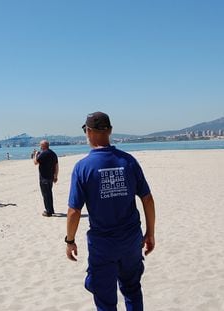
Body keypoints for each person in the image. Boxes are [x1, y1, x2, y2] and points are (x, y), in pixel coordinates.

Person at [65, 112, 155, 311]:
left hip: (103, 244)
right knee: (132, 289)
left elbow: (74, 211)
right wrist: (150, 233)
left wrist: (70, 240)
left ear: (88, 132)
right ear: (110, 131)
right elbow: (147, 199)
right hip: (131, 239)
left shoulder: (82, 167)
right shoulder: (128, 161)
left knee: (105, 299)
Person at [33, 140, 59, 217]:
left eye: (40, 145)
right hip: (50, 177)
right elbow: (56, 166)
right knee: (49, 194)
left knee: (45, 194)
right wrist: (56, 176)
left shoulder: (44, 153)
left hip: (44, 178)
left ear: (43, 146)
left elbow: (35, 162)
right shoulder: (53, 153)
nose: (40, 147)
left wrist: (35, 154)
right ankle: (51, 209)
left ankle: (48, 211)